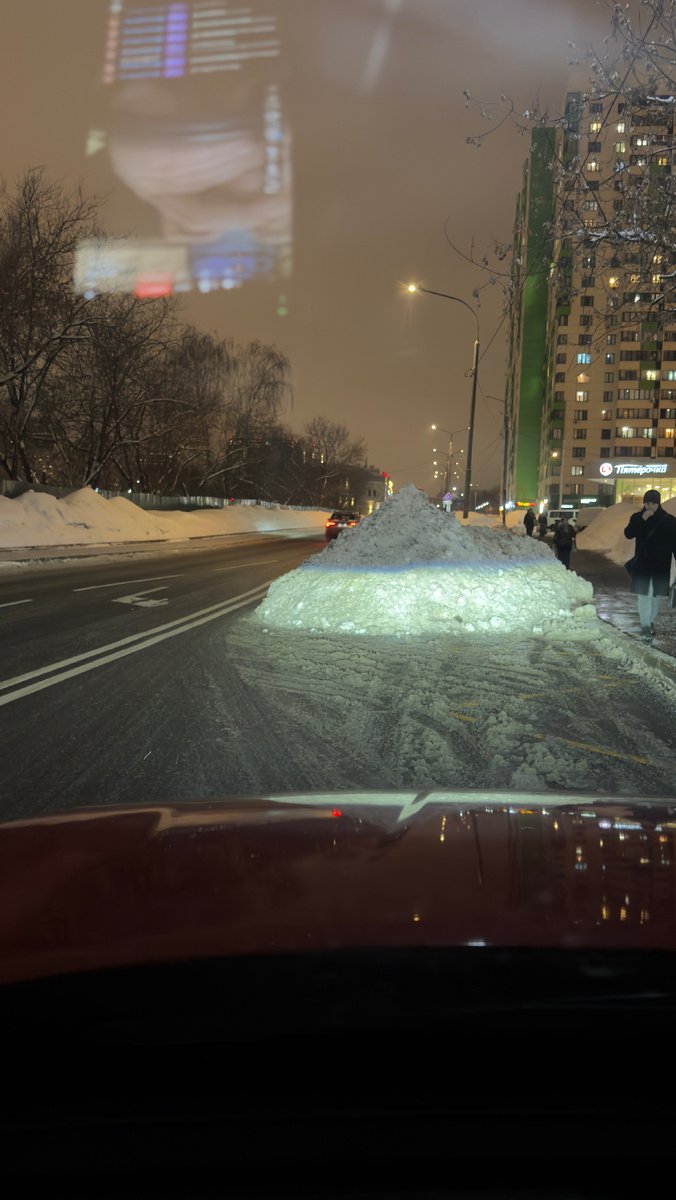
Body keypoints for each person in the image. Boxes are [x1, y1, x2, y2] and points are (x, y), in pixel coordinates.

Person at [624, 489, 676, 642]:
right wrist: (642, 519)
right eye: (647, 503)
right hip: (643, 564)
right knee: (644, 596)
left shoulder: (669, 520)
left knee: (656, 596)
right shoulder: (637, 517)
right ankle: (645, 625)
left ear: (658, 504)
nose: (649, 506)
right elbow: (628, 534)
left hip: (661, 565)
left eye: (653, 503)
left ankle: (650, 621)